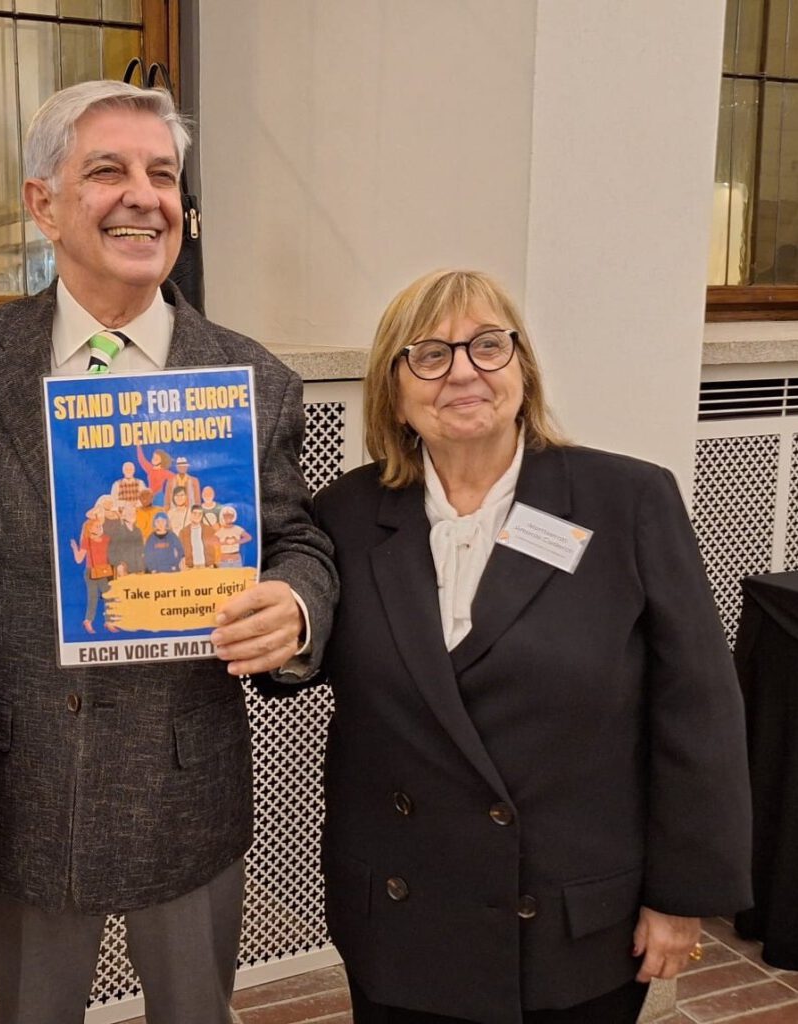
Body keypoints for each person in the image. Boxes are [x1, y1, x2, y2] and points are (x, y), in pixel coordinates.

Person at [0, 80, 336, 1024]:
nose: (144, 197)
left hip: (183, 783)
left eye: (164, 175)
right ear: (43, 203)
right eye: (108, 170)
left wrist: (294, 606)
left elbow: (296, 539)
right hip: (20, 783)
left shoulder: (252, 378)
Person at [313, 269, 752, 1024]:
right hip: (402, 915)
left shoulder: (627, 501)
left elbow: (698, 712)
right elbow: (300, 659)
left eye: (488, 346)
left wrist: (682, 898)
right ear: (393, 389)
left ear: (522, 368)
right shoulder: (345, 513)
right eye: (429, 355)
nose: (463, 372)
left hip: (569, 924)